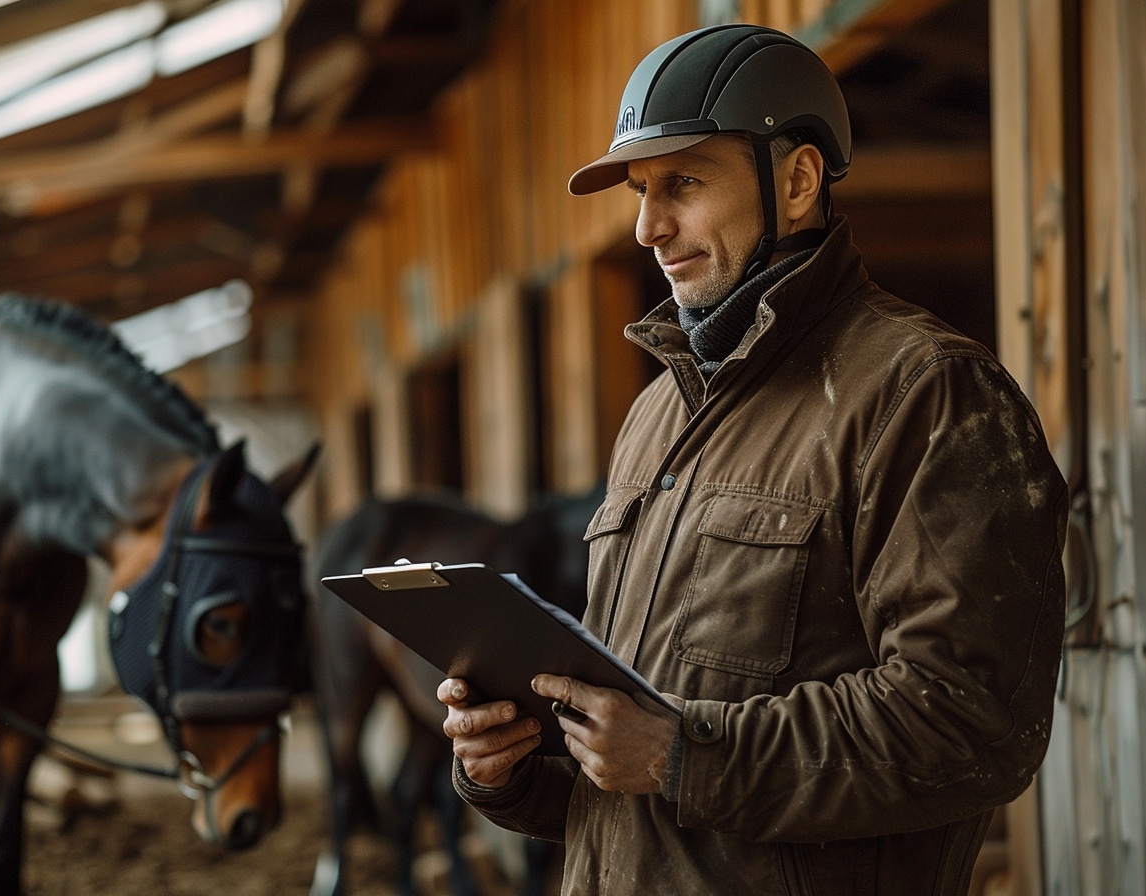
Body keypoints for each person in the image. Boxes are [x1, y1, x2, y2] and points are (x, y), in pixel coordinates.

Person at [438, 23, 1068, 895]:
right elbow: (636, 777)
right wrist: (508, 767)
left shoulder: (928, 393)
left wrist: (682, 754)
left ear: (798, 178)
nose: (649, 227)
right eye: (639, 191)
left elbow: (969, 723)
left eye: (683, 183)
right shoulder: (657, 413)